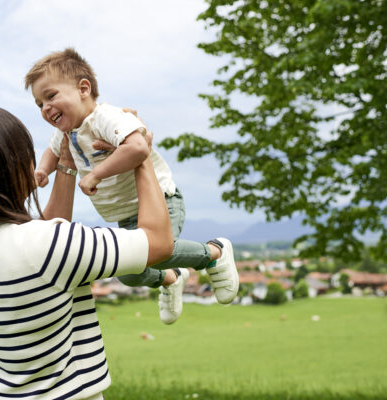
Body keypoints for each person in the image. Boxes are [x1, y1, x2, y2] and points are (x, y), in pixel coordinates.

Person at [0, 106, 174, 400]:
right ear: (14, 166)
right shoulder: (49, 246)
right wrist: (140, 156)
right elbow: (158, 242)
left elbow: (43, 250)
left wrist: (67, 163)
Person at [24, 48, 239, 324]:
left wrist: (95, 175)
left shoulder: (106, 118)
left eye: (51, 95)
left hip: (160, 200)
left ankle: (215, 252)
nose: (45, 108)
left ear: (83, 88)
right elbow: (53, 152)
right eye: (39, 104)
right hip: (126, 216)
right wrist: (42, 171)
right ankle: (172, 278)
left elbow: (138, 147)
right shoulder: (65, 134)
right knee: (128, 272)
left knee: (158, 251)